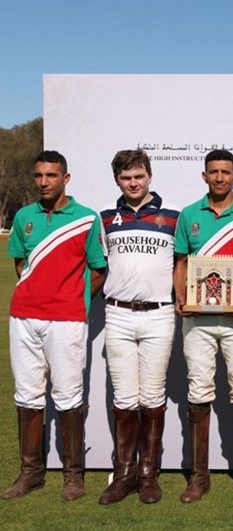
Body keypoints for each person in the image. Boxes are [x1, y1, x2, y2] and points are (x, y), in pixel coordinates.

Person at [3, 151, 107, 501]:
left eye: (51, 175)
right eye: (38, 176)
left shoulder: (87, 218)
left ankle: (72, 476)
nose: (44, 182)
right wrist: (36, 291)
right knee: (28, 395)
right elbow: (20, 261)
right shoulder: (23, 216)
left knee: (68, 396)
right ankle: (31, 473)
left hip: (66, 320)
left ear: (66, 178)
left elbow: (98, 269)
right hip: (23, 317)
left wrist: (76, 301)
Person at [173, 149, 233, 504]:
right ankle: (199, 477)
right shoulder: (189, 215)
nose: (220, 178)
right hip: (198, 319)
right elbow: (180, 262)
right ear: (204, 176)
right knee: (198, 392)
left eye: (226, 172)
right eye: (213, 172)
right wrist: (180, 295)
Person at [97, 149, 180, 504]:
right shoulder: (104, 219)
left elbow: (184, 266)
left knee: (152, 396)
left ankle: (148, 475)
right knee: (125, 398)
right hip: (117, 313)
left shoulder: (174, 219)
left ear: (149, 176)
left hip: (160, 313)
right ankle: (123, 474)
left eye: (139, 176)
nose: (133, 183)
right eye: (126, 178)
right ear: (118, 180)